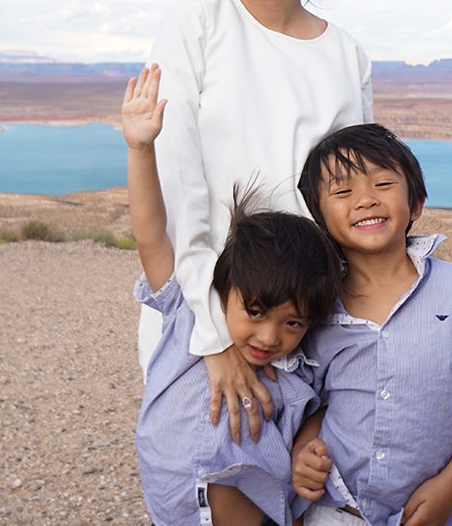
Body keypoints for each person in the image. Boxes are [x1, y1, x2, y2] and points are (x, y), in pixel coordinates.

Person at [141, 0, 373, 444]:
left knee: (305, 488)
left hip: (304, 322)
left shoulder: (347, 54)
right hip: (211, 315)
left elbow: (349, 200)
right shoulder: (196, 25)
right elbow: (179, 188)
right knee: (210, 485)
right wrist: (214, 334)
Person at [123, 63, 344, 524]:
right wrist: (140, 148)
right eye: (257, 311)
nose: (269, 336)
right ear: (226, 290)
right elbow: (151, 236)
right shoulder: (189, 312)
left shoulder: (300, 366)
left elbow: (323, 415)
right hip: (178, 500)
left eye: (293, 323)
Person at [291, 124, 452, 526]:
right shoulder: (313, 306)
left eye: (383, 183)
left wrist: (450, 485)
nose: (365, 199)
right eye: (342, 191)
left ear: (416, 204)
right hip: (334, 508)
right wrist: (303, 450)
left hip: (422, 510)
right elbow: (314, 402)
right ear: (320, 216)